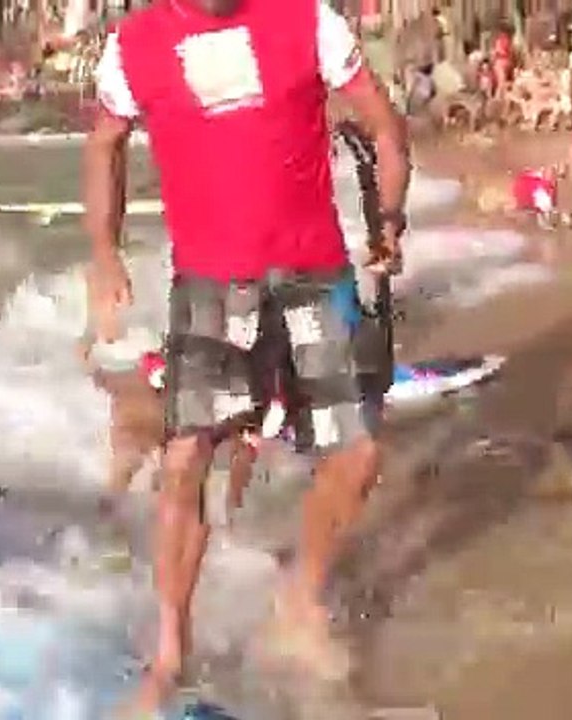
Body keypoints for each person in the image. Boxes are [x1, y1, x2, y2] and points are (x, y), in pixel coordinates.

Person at [84, 0, 410, 713]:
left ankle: (300, 598)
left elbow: (383, 125)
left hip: (314, 273)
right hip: (210, 283)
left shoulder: (307, 18)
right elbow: (104, 142)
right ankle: (170, 652)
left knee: (356, 456)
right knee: (186, 461)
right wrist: (104, 253)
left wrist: (388, 220)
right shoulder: (136, 44)